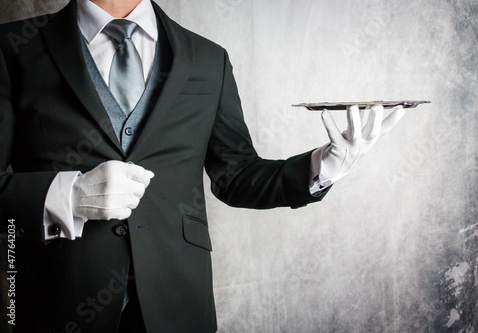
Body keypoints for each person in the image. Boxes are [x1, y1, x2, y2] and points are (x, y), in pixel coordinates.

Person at [0, 0, 405, 332]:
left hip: (179, 305)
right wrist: (67, 197)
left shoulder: (208, 58)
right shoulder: (12, 48)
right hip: (54, 302)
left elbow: (237, 176)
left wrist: (326, 165)